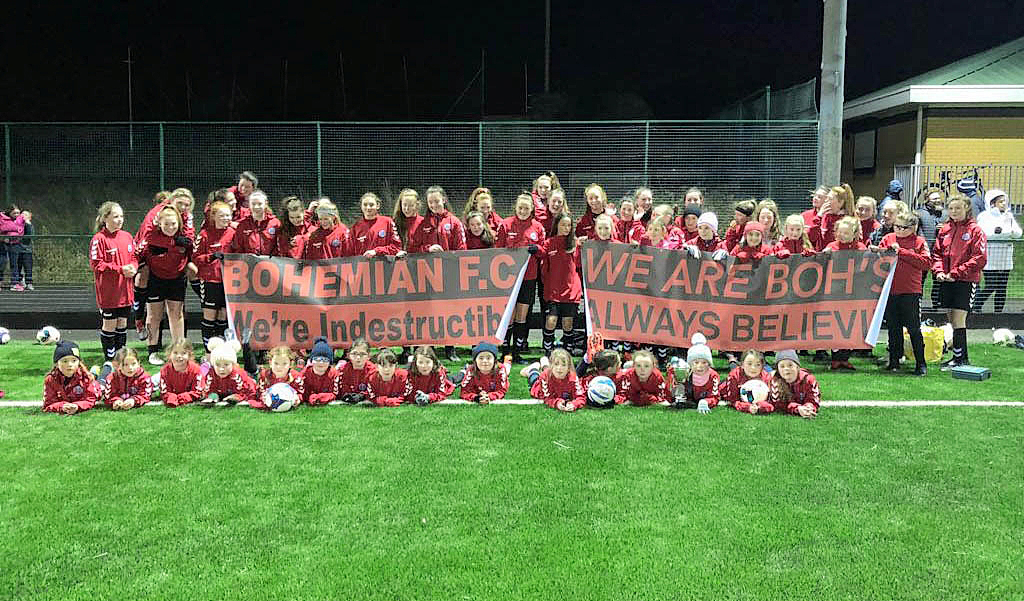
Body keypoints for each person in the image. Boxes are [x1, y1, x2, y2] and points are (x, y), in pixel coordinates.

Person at [932, 194, 987, 370]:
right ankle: (959, 357)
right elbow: (937, 253)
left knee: (958, 319)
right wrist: (939, 271)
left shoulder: (975, 230)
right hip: (947, 280)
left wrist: (956, 273)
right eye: (951, 208)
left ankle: (960, 359)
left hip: (965, 280)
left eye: (958, 208)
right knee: (951, 319)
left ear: (967, 209)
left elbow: (979, 258)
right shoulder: (945, 229)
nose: (954, 211)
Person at [872, 213, 930, 375]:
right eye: (896, 226)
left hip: (910, 291)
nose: (899, 230)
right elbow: (879, 257)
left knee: (914, 328)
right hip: (890, 290)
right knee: (893, 327)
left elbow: (926, 263)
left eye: (904, 227)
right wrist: (878, 251)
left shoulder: (919, 242)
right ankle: (894, 360)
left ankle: (921, 363)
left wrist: (902, 252)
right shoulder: (888, 238)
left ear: (913, 228)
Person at [136, 205, 193, 365]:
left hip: (177, 278)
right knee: (154, 315)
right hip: (156, 278)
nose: (170, 227)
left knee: (176, 314)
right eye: (166, 224)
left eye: (173, 224)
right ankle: (152, 351)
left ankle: (179, 350)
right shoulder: (152, 237)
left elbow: (191, 248)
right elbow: (143, 245)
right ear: (159, 224)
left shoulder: (184, 238)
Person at [496, 193, 546, 362]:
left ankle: (517, 353)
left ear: (532, 209)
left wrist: (537, 249)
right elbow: (497, 250)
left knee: (521, 315)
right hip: (508, 279)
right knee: (509, 315)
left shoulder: (537, 227)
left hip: (528, 278)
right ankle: (505, 351)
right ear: (515, 208)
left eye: (526, 208)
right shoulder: (506, 225)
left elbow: (543, 251)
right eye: (520, 208)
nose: (523, 211)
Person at [90, 202, 138, 363]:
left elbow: (134, 258)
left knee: (122, 323)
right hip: (109, 293)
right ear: (105, 218)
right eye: (116, 216)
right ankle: (109, 360)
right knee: (110, 324)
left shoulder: (127, 236)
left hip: (126, 291)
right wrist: (119, 269)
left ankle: (120, 358)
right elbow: (97, 264)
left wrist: (133, 267)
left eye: (122, 216)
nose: (120, 220)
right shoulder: (99, 239)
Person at [824, 216, 867, 371]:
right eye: (840, 232)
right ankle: (835, 358)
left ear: (854, 234)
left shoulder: (861, 248)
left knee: (850, 325)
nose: (841, 236)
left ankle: (845, 357)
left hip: (853, 293)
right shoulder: (831, 247)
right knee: (835, 324)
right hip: (835, 292)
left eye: (846, 233)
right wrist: (824, 255)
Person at [194, 200, 235, 348]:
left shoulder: (233, 233)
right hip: (210, 281)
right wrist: (211, 257)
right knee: (209, 316)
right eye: (222, 215)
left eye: (228, 215)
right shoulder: (204, 234)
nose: (226, 218)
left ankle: (222, 349)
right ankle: (208, 352)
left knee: (223, 316)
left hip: (228, 282)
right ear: (214, 216)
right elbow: (195, 258)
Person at [539, 214, 582, 356]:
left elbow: (579, 264)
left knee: (567, 322)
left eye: (569, 225)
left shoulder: (575, 244)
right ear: (557, 225)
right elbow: (542, 260)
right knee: (551, 320)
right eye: (563, 224)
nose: (566, 228)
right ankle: (548, 350)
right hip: (553, 290)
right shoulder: (549, 243)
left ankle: (567, 350)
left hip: (571, 290)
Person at [974, 189, 1021, 313]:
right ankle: (976, 306)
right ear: (992, 203)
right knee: (991, 284)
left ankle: (998, 312)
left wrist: (1009, 232)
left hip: (1005, 256)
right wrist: (1001, 233)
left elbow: (1018, 233)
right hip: (991, 255)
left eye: (1005, 201)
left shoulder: (1008, 216)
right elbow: (983, 233)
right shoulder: (984, 216)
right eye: (1001, 201)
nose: (1004, 204)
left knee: (1002, 287)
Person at [43, 341, 99, 415]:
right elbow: (48, 404)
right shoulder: (51, 380)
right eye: (65, 361)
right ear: (57, 364)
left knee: (101, 383)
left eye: (74, 360)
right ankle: (94, 372)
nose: (69, 364)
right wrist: (62, 406)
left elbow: (90, 399)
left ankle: (102, 369)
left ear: (79, 362)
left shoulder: (86, 378)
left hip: (98, 386)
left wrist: (77, 406)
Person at [198, 337, 256, 407]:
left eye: (226, 365)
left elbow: (242, 391)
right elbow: (209, 388)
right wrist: (212, 396)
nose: (221, 369)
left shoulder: (237, 374)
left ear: (233, 364)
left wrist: (235, 397)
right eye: (218, 365)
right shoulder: (211, 373)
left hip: (243, 391)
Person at [669, 333, 720, 413]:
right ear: (690, 364)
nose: (700, 366)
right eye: (696, 362)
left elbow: (715, 397)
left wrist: (706, 402)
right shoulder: (686, 374)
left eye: (704, 362)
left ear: (709, 364)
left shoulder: (713, 376)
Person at [768, 350, 820, 419]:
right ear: (778, 370)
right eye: (782, 366)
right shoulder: (775, 381)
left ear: (797, 366)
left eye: (790, 365)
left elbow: (813, 399)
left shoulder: (808, 379)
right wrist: (797, 409)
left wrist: (809, 408)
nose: (786, 369)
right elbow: (779, 405)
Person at [347, 192, 401, 258]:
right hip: (362, 264)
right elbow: (349, 254)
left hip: (384, 264)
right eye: (365, 205)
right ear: (361, 206)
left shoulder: (388, 222)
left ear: (377, 205)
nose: (368, 208)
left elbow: (396, 247)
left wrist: (376, 251)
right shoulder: (355, 227)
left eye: (371, 205)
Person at [229, 190, 279, 256]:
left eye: (259, 204)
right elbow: (238, 248)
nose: (256, 207)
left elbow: (280, 246)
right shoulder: (243, 225)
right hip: (249, 261)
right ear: (249, 205)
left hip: (270, 261)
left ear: (265, 203)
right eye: (253, 204)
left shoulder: (275, 223)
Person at [255, 346, 305, 410]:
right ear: (270, 363)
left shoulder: (296, 377)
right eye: (276, 363)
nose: (279, 367)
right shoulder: (264, 375)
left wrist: (298, 398)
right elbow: (259, 392)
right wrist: (263, 398)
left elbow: (301, 393)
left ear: (290, 364)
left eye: (284, 364)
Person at [158, 339, 203, 407]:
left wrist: (182, 398)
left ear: (189, 355)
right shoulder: (165, 371)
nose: (179, 356)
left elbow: (198, 391)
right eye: (175, 353)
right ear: (169, 355)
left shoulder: (196, 370)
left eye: (183, 353)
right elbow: (165, 392)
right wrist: (171, 398)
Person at [425, 186, 467, 252]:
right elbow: (418, 246)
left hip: (450, 258)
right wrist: (428, 249)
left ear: (443, 200)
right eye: (430, 202)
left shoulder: (454, 222)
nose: (434, 205)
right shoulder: (424, 223)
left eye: (437, 201)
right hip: (430, 259)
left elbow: (461, 247)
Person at [335, 338, 377, 404]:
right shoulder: (343, 369)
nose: (358, 357)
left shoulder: (373, 370)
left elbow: (374, 389)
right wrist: (347, 394)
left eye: (362, 354)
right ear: (348, 355)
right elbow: (342, 387)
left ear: (368, 356)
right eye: (354, 353)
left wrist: (362, 395)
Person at [302, 337, 339, 406]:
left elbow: (334, 394)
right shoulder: (305, 373)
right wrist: (311, 397)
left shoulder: (333, 374)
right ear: (311, 361)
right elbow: (303, 392)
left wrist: (320, 398)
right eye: (317, 359)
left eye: (325, 360)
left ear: (330, 362)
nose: (321, 363)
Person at [816, 184, 855, 250]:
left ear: (840, 203)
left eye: (830, 199)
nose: (826, 201)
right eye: (827, 198)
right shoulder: (825, 216)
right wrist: (819, 216)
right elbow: (812, 237)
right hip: (822, 255)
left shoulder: (848, 220)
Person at [0, 204, 27, 290]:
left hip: (15, 243)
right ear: (9, 212)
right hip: (3, 244)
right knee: (2, 263)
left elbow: (20, 230)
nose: (16, 215)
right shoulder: (2, 218)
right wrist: (4, 237)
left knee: (14, 264)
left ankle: (15, 283)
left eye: (18, 213)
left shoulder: (20, 219)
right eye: (14, 213)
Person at [13, 210, 34, 290]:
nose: (23, 216)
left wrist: (28, 223)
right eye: (22, 214)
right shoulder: (17, 224)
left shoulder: (29, 225)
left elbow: (29, 237)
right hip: (17, 249)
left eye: (25, 214)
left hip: (26, 250)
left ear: (29, 217)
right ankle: (20, 281)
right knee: (17, 267)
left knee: (28, 267)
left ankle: (29, 282)